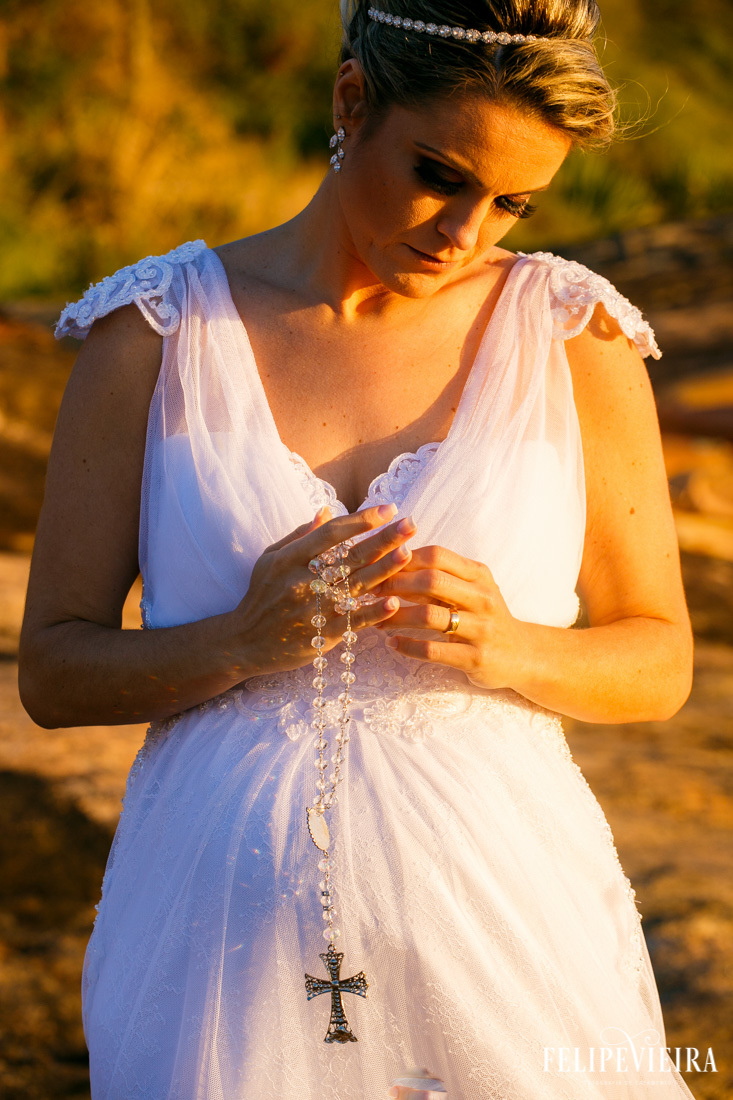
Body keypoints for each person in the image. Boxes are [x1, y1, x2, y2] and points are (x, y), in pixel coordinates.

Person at [19, 1, 697, 1097]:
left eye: (514, 201)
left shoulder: (572, 336)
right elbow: (51, 668)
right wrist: (239, 639)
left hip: (506, 926)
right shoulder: (153, 334)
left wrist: (509, 645)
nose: (467, 230)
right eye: (441, 173)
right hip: (212, 948)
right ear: (351, 102)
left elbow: (662, 658)